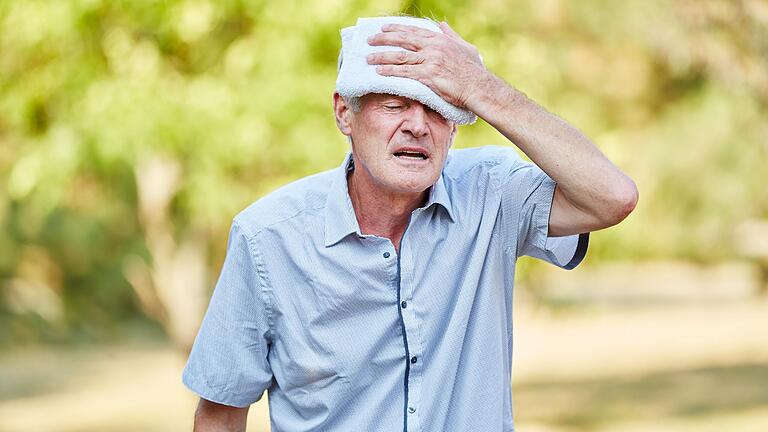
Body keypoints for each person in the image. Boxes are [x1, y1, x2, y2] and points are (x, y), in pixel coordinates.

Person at [183, 16, 637, 432]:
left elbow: (612, 197)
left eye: (440, 106)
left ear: (457, 124)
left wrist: (481, 87)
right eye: (395, 104)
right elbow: (220, 414)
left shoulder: (493, 194)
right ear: (345, 113)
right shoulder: (267, 237)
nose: (418, 126)